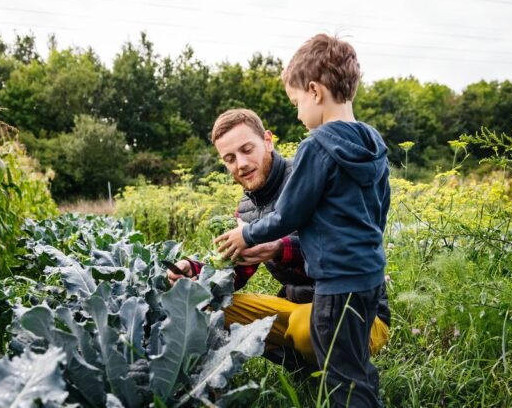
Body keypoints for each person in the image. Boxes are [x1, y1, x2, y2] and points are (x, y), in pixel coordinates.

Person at [215, 35, 390, 407]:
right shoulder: (373, 142)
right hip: (368, 280)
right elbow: (381, 211)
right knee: (356, 371)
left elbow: (288, 214)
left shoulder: (316, 146)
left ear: (314, 91)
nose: (297, 114)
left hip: (335, 287)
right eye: (230, 157)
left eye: (296, 102)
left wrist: (248, 233)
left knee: (342, 379)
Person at [166, 108, 390, 376]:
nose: (241, 164)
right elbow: (236, 271)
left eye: (247, 149)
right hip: (299, 307)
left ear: (268, 141)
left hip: (355, 313)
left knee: (304, 327)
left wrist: (277, 247)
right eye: (229, 158)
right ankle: (301, 364)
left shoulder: (309, 174)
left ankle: (334, 374)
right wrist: (195, 271)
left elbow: (340, 242)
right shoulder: (246, 209)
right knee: (207, 306)